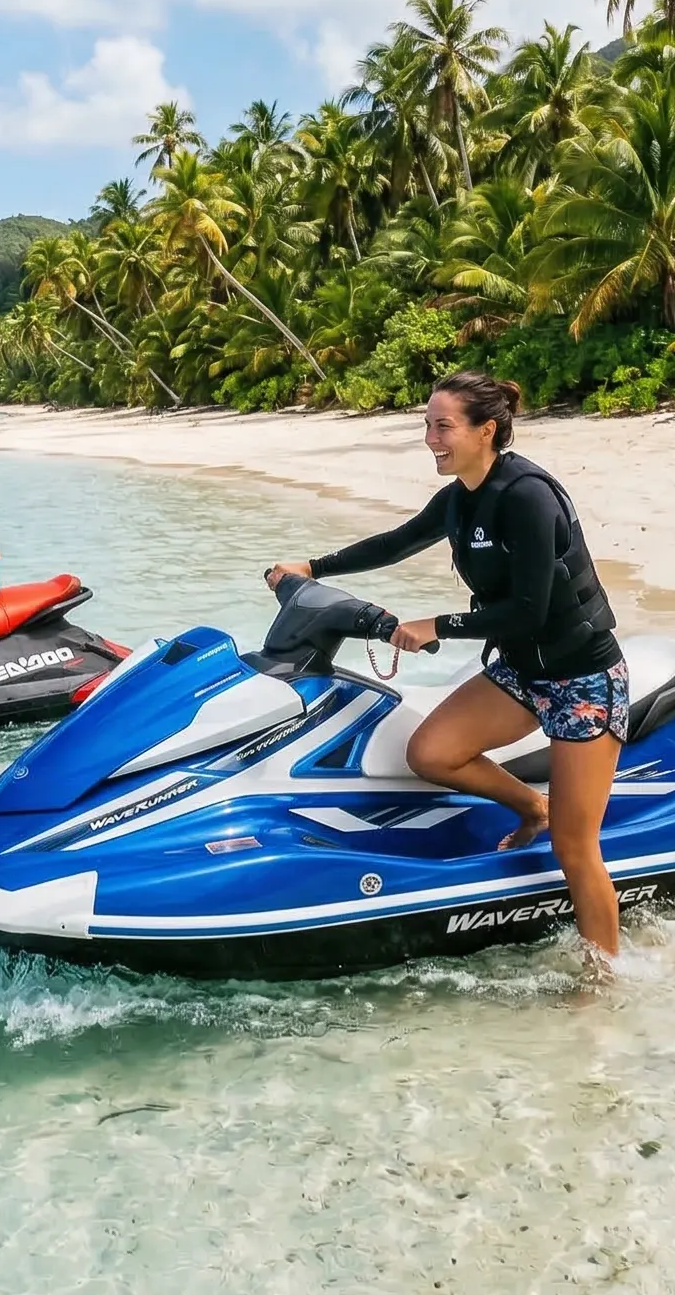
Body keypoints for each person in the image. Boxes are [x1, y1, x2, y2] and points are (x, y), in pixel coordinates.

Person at [266, 370, 631, 956]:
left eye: (443, 426)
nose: (431, 439)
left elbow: (531, 609)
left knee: (575, 848)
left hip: (581, 678)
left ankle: (602, 980)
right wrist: (313, 568)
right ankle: (530, 805)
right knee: (432, 753)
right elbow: (395, 542)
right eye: (427, 425)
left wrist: (437, 626)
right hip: (520, 670)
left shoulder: (528, 497)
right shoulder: (461, 498)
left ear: (486, 430)